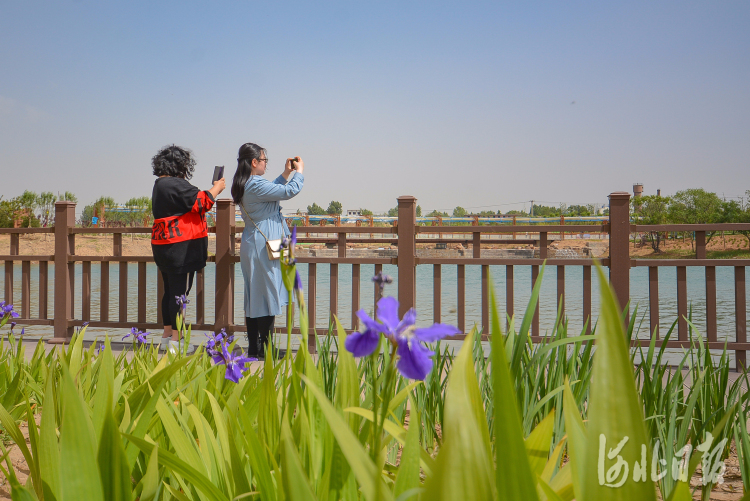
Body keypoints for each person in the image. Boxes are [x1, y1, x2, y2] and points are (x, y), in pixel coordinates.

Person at [231, 143, 304, 359]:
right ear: (254, 162)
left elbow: (271, 190)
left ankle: (256, 348)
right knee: (266, 295)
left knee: (256, 297)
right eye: (264, 161)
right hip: (264, 244)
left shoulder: (249, 183)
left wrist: (286, 173)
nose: (265, 164)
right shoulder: (254, 184)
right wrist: (299, 173)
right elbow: (289, 191)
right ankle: (266, 349)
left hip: (258, 242)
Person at [151, 145, 225, 353]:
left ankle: (167, 335)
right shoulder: (174, 184)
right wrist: (217, 188)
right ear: (180, 165)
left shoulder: (159, 184)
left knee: (170, 292)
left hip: (163, 245)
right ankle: (177, 340)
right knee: (179, 294)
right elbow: (202, 201)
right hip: (180, 247)